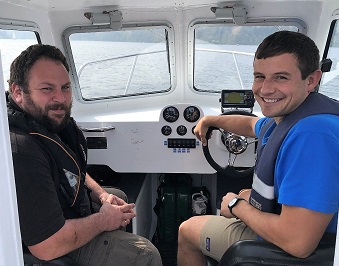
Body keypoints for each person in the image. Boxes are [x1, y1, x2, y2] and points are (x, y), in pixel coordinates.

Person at [177, 30, 339, 265]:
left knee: (188, 229)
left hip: (295, 250)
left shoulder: (312, 136)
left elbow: (298, 243)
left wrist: (237, 206)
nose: (265, 89)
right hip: (291, 225)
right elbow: (252, 124)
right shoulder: (296, 115)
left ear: (311, 80)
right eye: (259, 76)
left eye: (281, 77)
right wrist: (211, 120)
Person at [7, 44, 162, 265]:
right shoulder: (22, 151)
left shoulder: (44, 122)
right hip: (50, 244)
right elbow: (46, 246)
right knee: (145, 254)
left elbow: (72, 170)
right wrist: (103, 220)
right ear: (18, 92)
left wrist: (101, 195)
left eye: (65, 87)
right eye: (47, 89)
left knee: (118, 197)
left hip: (62, 208)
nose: (60, 98)